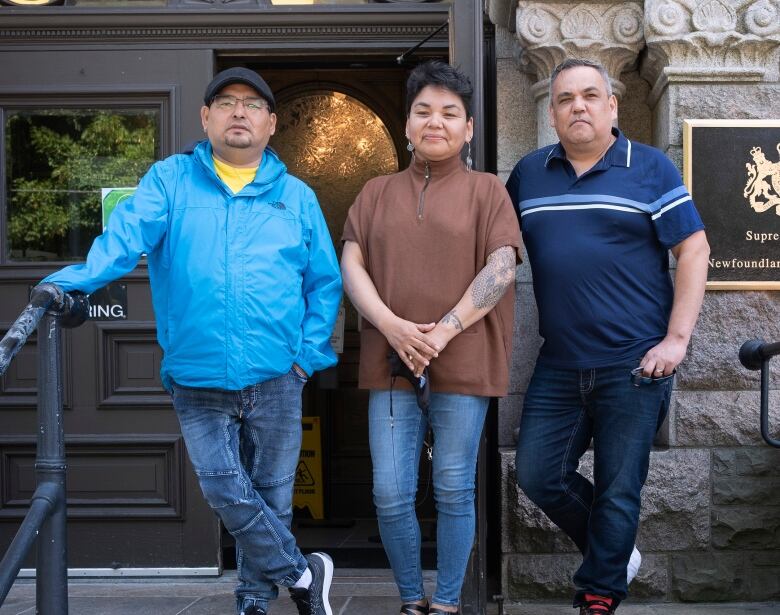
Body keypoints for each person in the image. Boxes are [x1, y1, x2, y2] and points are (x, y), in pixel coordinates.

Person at [41, 67, 342, 615]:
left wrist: (305, 358)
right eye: (226, 102)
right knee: (225, 489)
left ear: (272, 124)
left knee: (272, 494)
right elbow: (123, 239)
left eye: (253, 105)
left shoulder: (296, 196)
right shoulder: (170, 180)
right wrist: (64, 282)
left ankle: (253, 599)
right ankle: (303, 575)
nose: (239, 112)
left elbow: (324, 282)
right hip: (196, 375)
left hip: (278, 373)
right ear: (206, 117)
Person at [505, 58, 710, 615]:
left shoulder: (650, 168)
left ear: (612, 105)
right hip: (561, 362)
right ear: (551, 111)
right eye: (566, 97)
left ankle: (599, 594)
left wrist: (677, 340)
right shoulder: (528, 174)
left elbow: (693, 249)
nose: (579, 106)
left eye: (591, 95)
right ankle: (614, 554)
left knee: (621, 488)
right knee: (538, 475)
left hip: (636, 364)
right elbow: (499, 254)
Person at [340, 60, 521, 615]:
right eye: (423, 112)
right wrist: (392, 326)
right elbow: (351, 262)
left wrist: (443, 331)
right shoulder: (374, 192)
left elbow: (502, 267)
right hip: (389, 363)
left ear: (469, 128)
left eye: (449, 113)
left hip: (463, 360)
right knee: (390, 492)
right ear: (407, 124)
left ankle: (446, 603)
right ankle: (410, 599)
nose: (434, 122)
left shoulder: (487, 191)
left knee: (452, 486)